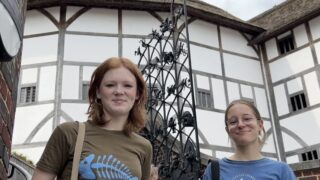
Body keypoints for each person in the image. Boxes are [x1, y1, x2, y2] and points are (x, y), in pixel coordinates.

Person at [32, 57, 152, 180]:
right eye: (110, 85)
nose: (119, 91)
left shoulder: (144, 147)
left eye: (127, 85)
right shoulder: (69, 133)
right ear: (98, 92)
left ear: (137, 93)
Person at [203, 99, 296, 180]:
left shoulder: (282, 170)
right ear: (228, 130)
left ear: (260, 125)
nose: (240, 125)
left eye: (247, 119)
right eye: (233, 121)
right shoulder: (214, 170)